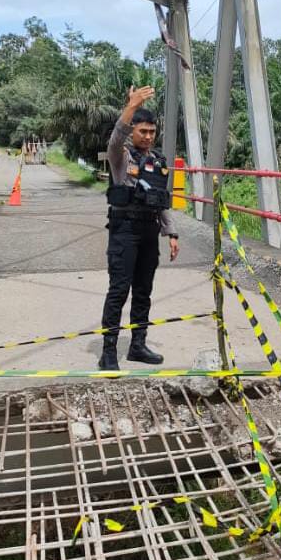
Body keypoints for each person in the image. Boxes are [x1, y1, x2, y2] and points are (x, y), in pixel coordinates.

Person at [99, 85, 180, 370]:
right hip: (124, 231)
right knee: (119, 289)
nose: (147, 136)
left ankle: (137, 345)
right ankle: (108, 351)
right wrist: (131, 106)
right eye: (143, 131)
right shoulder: (120, 157)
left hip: (148, 232)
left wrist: (171, 233)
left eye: (152, 132)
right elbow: (115, 137)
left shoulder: (157, 161)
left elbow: (162, 200)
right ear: (133, 130)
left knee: (144, 290)